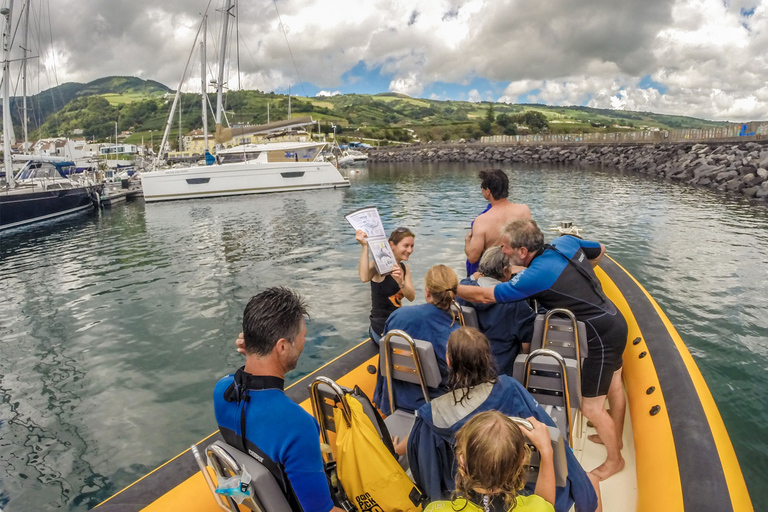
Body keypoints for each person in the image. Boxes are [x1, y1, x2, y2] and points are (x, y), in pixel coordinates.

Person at [456, 219, 628, 481]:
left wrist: (450, 287)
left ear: (522, 252)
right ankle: (616, 439)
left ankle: (615, 460)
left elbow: (485, 296)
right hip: (613, 319)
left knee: (592, 408)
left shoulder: (536, 276)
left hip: (599, 336)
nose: (503, 251)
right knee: (614, 383)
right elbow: (600, 249)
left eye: (505, 247)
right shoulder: (564, 243)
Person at [406, 328, 600, 512]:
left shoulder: (432, 414)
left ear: (448, 361)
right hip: (523, 487)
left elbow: (426, 470)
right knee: (591, 479)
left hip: (461, 493)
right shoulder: (511, 388)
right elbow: (552, 438)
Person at [214, 287, 345, 512]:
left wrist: (256, 352)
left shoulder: (222, 390)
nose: (304, 343)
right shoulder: (297, 425)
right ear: (282, 346)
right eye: (302, 338)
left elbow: (250, 387)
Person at [423, 410, 556, 512]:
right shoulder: (537, 508)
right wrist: (546, 452)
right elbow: (545, 504)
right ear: (522, 460)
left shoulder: (435, 509)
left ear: (461, 461)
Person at [374, 264, 460, 415]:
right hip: (437, 410)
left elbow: (384, 366)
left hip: (397, 402)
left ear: (427, 292)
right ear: (455, 294)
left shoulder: (398, 316)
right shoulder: (456, 336)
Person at [458, 246, 536, 375]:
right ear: (505, 271)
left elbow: (471, 278)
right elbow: (528, 342)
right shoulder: (515, 302)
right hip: (501, 370)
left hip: (468, 367)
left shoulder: (463, 290)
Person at [465, 169, 531, 277]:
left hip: (495, 276)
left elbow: (473, 257)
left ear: (488, 191)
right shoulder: (524, 210)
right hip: (519, 272)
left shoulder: (482, 220)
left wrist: (467, 241)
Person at [356, 226, 416, 342]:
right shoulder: (379, 265)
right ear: (392, 245)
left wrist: (401, 283)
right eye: (406, 246)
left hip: (397, 322)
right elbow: (364, 277)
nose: (410, 250)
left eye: (412, 246)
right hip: (380, 326)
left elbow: (411, 297)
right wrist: (365, 246)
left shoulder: (404, 268)